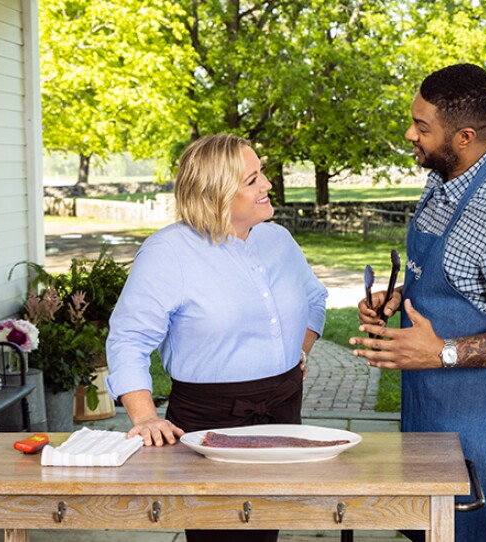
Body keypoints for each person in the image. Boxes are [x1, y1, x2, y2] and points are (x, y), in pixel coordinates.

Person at [349, 63, 486, 542]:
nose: (410, 134)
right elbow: (456, 281)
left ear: (464, 136)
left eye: (422, 127)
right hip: (431, 399)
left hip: (484, 409)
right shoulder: (444, 177)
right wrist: (400, 298)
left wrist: (439, 351)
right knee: (432, 527)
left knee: (468, 533)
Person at [106, 134, 327, 542]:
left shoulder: (278, 240)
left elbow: (315, 298)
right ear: (216, 193)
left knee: (265, 527)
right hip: (209, 420)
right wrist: (145, 418)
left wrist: (299, 350)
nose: (267, 186)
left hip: (282, 407)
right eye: (252, 180)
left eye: (261, 174)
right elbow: (128, 339)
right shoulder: (167, 252)